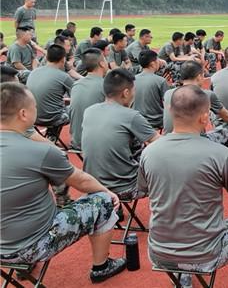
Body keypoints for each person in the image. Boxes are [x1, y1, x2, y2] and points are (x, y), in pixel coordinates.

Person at [138, 85, 228, 288]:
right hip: (206, 253)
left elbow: (144, 190)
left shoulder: (149, 152)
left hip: (159, 253)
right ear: (204, 118)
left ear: (170, 111)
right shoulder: (219, 154)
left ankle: (183, 279)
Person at [0, 82, 127, 283]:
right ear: (23, 114)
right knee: (102, 200)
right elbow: (82, 181)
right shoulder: (39, 151)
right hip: (32, 244)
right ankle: (101, 267)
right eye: (35, 107)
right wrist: (108, 192)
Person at [83, 69, 160, 200]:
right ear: (126, 93)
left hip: (93, 186)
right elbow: (159, 143)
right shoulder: (131, 116)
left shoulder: (89, 111)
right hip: (125, 187)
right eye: (133, 90)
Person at [163, 61, 228, 146]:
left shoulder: (168, 94)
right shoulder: (206, 94)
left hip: (169, 138)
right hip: (193, 141)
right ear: (199, 76)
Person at [26, 44, 74, 141]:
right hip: (53, 118)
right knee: (76, 108)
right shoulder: (64, 76)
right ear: (63, 59)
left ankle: (50, 135)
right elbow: (77, 97)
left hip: (31, 117)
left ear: (47, 57)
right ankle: (73, 139)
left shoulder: (34, 72)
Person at [69, 48, 108, 151]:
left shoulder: (76, 85)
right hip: (94, 145)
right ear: (102, 64)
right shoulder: (106, 86)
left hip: (76, 141)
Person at [132, 50, 171, 130]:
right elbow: (167, 104)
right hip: (155, 121)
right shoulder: (160, 81)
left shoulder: (133, 80)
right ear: (152, 64)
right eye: (157, 60)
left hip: (136, 120)